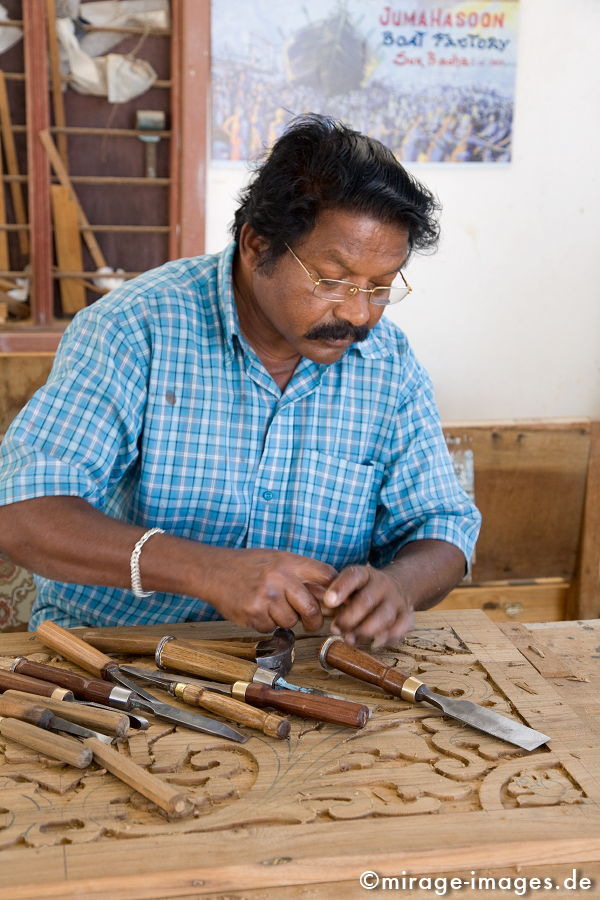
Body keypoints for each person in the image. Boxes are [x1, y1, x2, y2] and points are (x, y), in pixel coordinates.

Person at [0, 114, 480, 646]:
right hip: (110, 656)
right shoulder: (136, 329)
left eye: (381, 287)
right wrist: (206, 569)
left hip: (296, 666)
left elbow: (444, 525)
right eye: (334, 280)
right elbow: (24, 514)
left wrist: (399, 584)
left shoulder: (388, 365)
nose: (360, 313)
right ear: (257, 245)